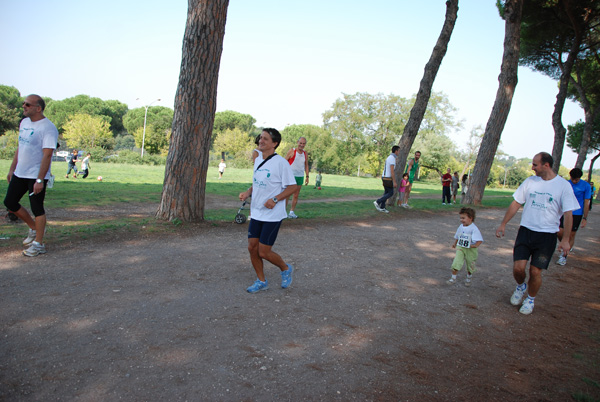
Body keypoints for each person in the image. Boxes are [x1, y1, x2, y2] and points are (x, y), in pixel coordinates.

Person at [496, 152, 579, 315]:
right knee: (518, 269)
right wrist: (503, 224)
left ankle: (530, 299)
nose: (532, 167)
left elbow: (568, 214)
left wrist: (566, 240)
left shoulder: (563, 186)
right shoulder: (530, 182)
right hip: (526, 231)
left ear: (545, 165)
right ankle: (521, 287)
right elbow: (516, 203)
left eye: (535, 164)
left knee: (535, 271)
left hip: (546, 236)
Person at [238, 128, 297, 294]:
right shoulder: (258, 160)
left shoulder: (281, 163)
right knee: (252, 247)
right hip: (256, 212)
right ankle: (261, 281)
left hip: (272, 214)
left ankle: (285, 268)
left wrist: (276, 199)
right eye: (260, 138)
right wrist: (248, 192)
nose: (260, 141)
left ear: (274, 143)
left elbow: (292, 186)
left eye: (265, 139)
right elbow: (257, 182)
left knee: (264, 251)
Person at [3, 95, 58, 257]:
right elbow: (20, 148)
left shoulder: (48, 128)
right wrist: (12, 169)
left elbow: (47, 155)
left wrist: (40, 179)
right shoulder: (24, 123)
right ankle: (34, 228)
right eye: (23, 104)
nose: (23, 106)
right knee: (10, 202)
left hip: (36, 175)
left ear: (38, 108)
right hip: (20, 172)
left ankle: (39, 244)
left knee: (37, 208)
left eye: (27, 104)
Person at [556, 168, 591, 265]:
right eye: (573, 179)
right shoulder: (566, 184)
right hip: (565, 211)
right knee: (559, 232)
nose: (574, 181)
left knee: (571, 234)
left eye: (577, 179)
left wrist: (585, 218)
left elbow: (586, 202)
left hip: (577, 213)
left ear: (580, 178)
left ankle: (563, 256)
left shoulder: (586, 186)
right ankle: (566, 243)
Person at [446, 207, 483, 287]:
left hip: (470, 249)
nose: (461, 220)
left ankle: (469, 277)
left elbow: (479, 240)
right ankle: (453, 278)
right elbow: (458, 236)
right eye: (460, 218)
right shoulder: (461, 226)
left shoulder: (474, 229)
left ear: (470, 218)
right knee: (456, 262)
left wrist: (474, 246)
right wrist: (455, 243)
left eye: (463, 218)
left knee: (470, 264)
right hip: (461, 247)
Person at [284, 137, 309, 219]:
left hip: (300, 176)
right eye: (300, 143)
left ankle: (291, 212)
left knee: (296, 195)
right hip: (291, 176)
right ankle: (283, 212)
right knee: (287, 195)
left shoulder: (305, 153)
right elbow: (284, 162)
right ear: (297, 142)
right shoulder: (292, 151)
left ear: (305, 144)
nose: (302, 145)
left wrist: (307, 176)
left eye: (303, 143)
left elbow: (306, 165)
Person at [374, 145, 399, 213]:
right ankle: (378, 201)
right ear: (396, 151)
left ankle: (382, 207)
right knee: (391, 193)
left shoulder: (389, 157)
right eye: (398, 151)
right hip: (388, 177)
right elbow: (392, 171)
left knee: (386, 192)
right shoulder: (392, 158)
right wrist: (394, 181)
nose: (399, 152)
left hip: (384, 176)